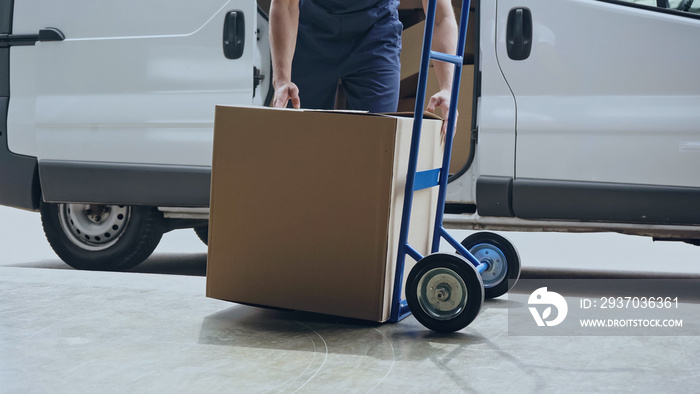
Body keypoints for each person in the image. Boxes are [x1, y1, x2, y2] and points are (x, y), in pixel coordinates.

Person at [269, 0, 459, 133]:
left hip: (375, 36)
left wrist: (448, 89)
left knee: (378, 140)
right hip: (311, 33)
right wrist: (282, 80)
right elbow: (285, 4)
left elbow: (440, 17)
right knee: (295, 136)